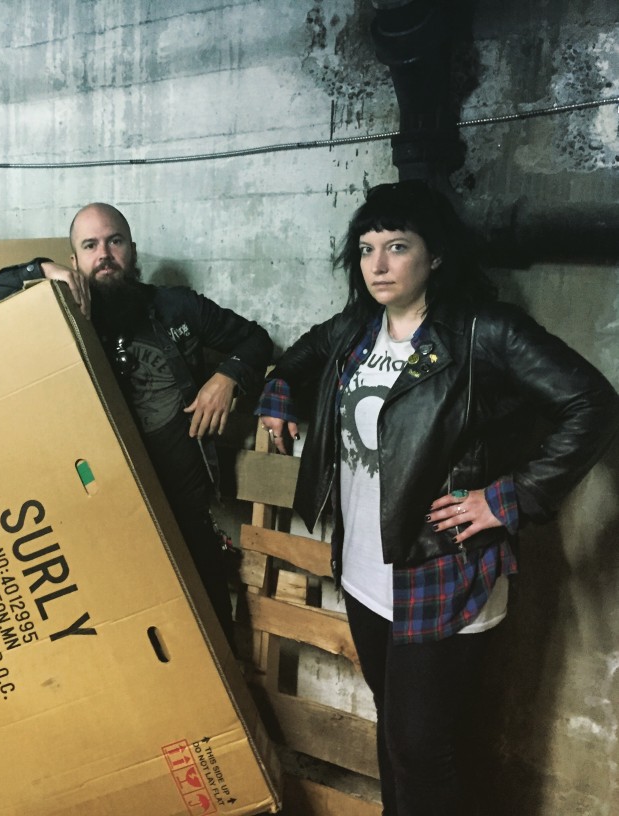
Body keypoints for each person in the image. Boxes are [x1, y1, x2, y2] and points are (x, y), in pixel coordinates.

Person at [256, 180, 619, 816]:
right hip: (368, 568)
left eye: (397, 247)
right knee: (399, 739)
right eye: (367, 249)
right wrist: (277, 397)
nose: (378, 264)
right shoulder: (355, 330)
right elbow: (293, 363)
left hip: (443, 568)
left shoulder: (484, 333)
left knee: (422, 750)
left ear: (436, 256)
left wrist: (507, 499)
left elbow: (591, 404)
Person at [0, 202, 273, 648]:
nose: (104, 253)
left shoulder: (175, 307)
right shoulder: (52, 313)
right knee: (129, 646)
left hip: (184, 511)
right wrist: (39, 270)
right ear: (75, 261)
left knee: (212, 635)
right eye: (90, 245)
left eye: (114, 241)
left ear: (132, 249)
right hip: (100, 516)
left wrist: (227, 377)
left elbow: (255, 339)